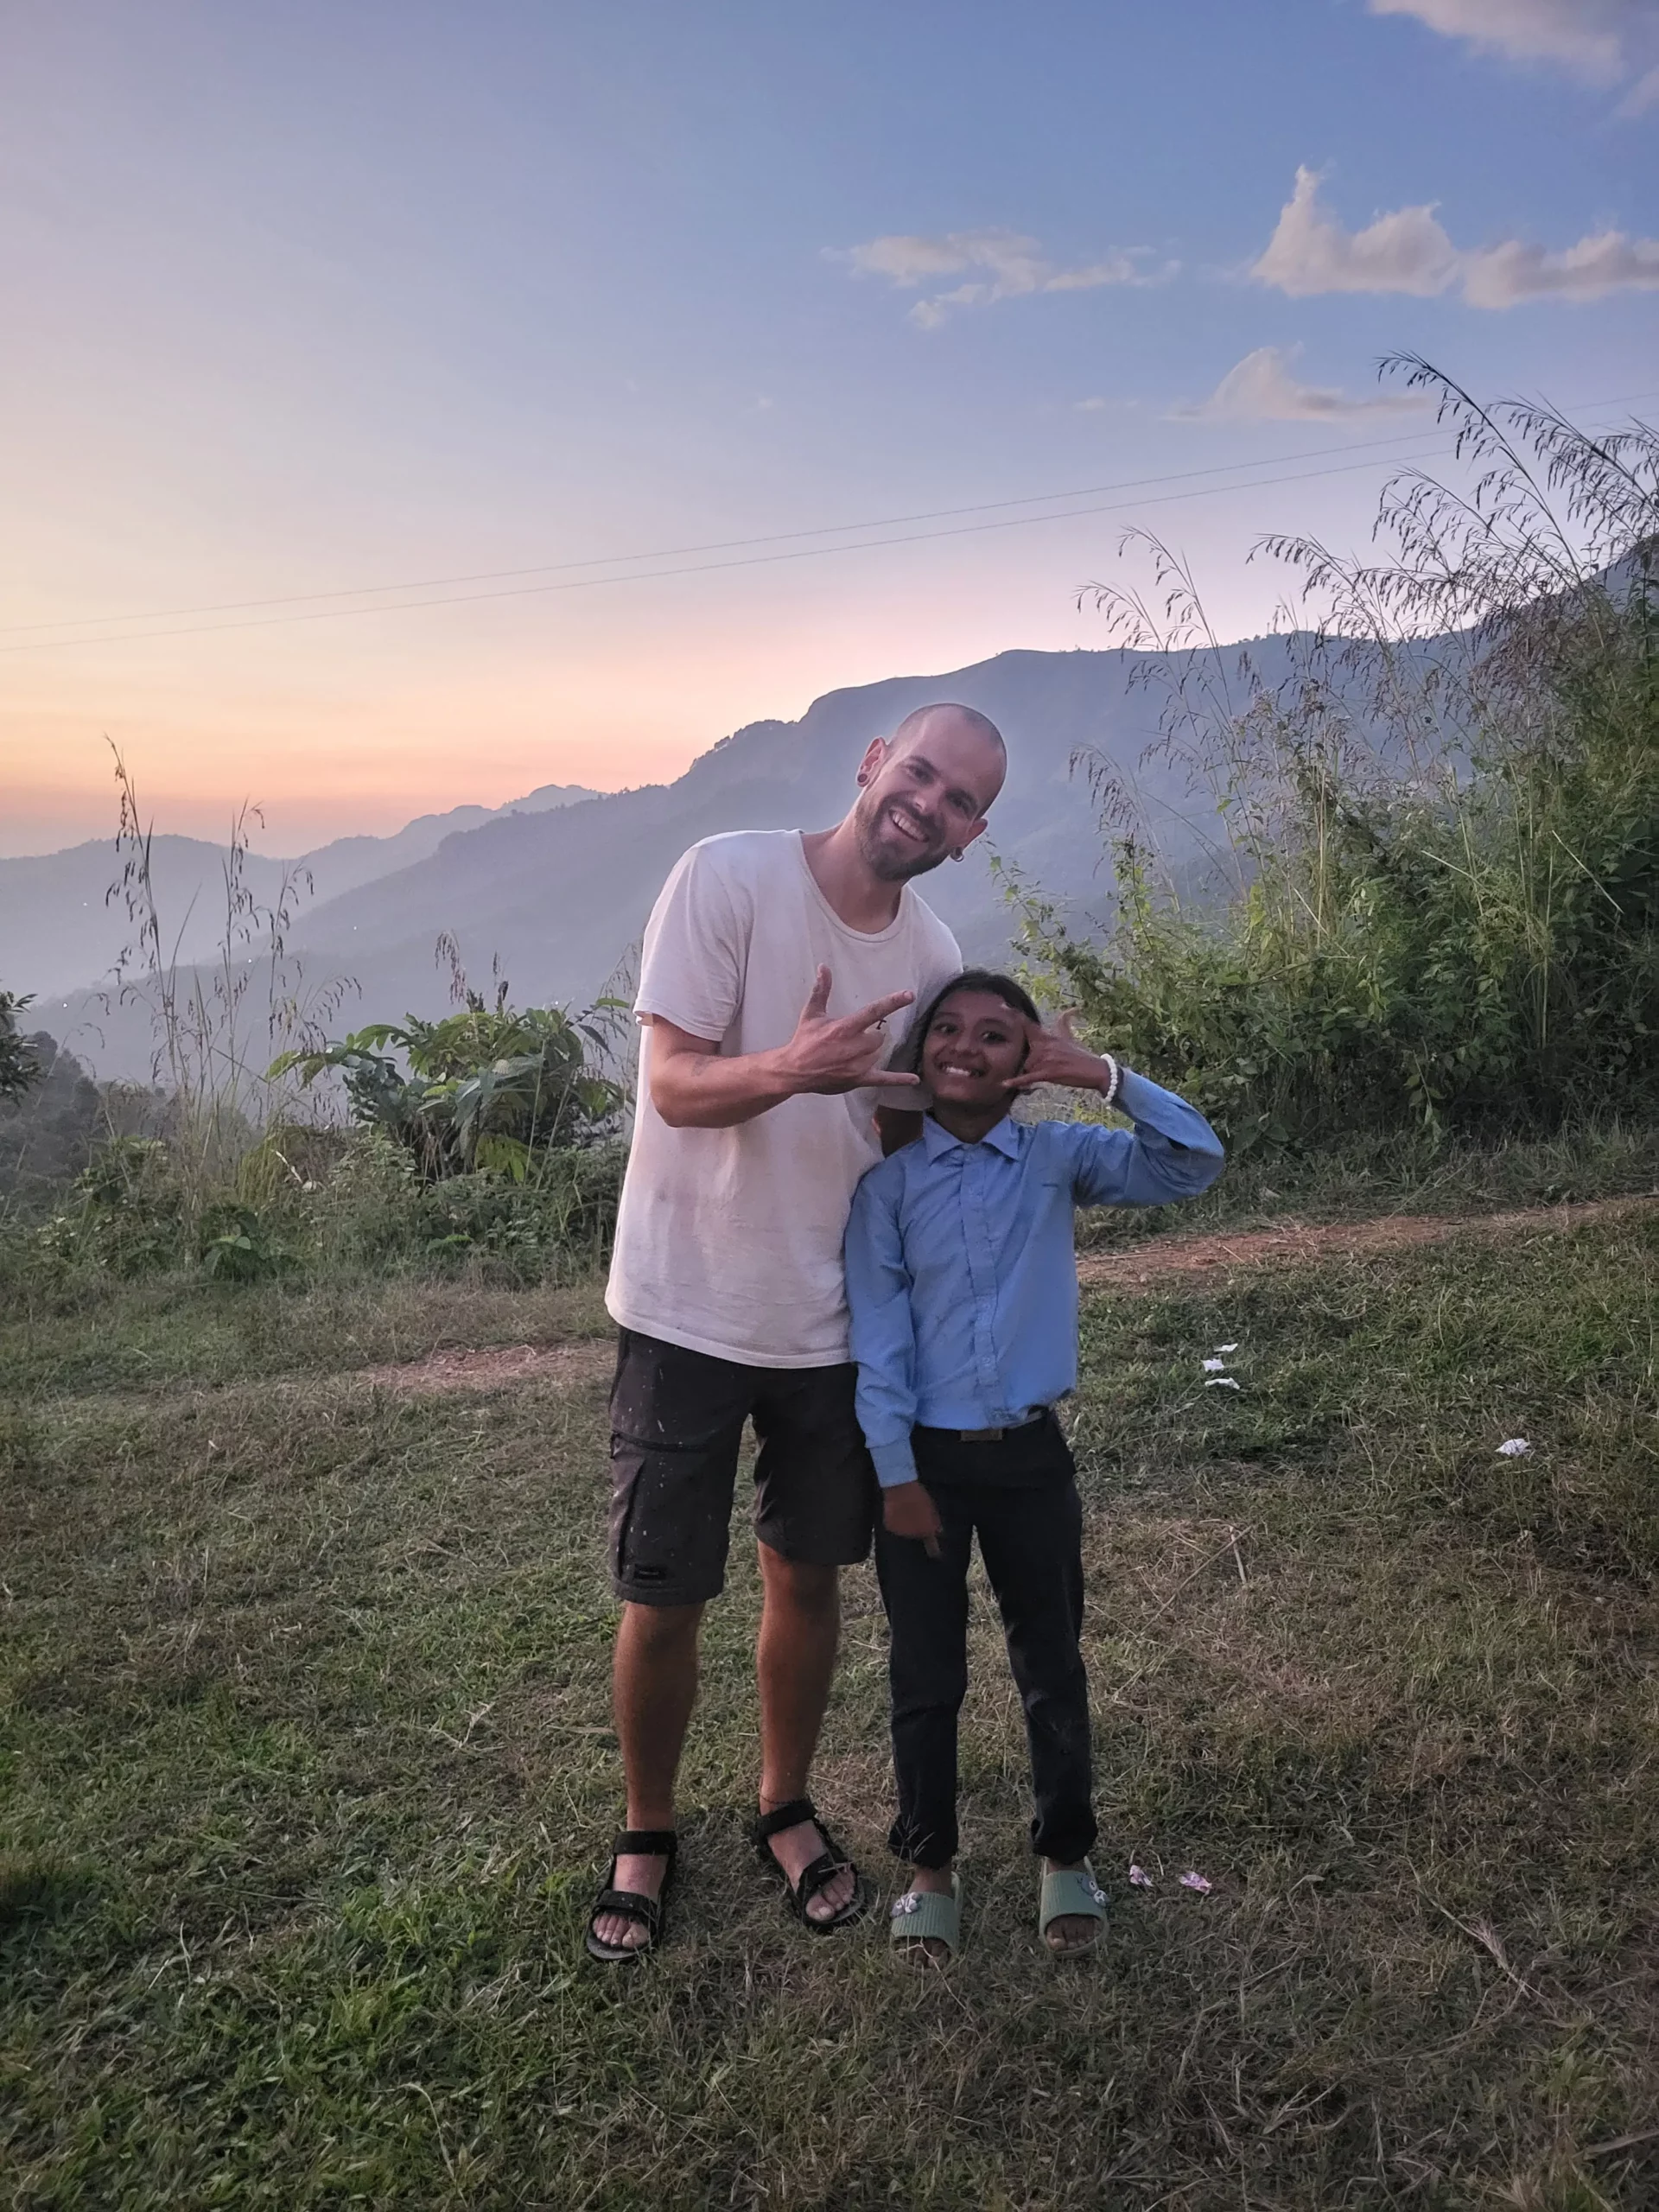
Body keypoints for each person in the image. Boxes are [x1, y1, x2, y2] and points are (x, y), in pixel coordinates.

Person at [585, 703, 1009, 1961]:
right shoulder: (728, 875)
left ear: (972, 834)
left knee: (806, 1576)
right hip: (684, 1306)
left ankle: (784, 1802)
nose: (925, 805)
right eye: (919, 773)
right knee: (663, 1594)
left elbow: (897, 1137)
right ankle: (647, 1828)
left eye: (958, 800)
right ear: (875, 761)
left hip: (830, 1325)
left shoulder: (935, 959)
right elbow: (670, 1083)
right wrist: (793, 1068)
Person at [842, 969, 1224, 1963]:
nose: (968, 1048)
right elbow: (880, 1343)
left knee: (1050, 1661)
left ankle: (1065, 1857)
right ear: (921, 1052)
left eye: (999, 1037)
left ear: (1025, 1066)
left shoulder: (1058, 1156)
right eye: (949, 1030)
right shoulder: (886, 1190)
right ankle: (930, 1868)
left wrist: (1101, 1074)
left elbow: (1192, 1161)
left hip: (1029, 1460)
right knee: (925, 1675)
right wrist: (894, 1475)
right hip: (922, 1460)